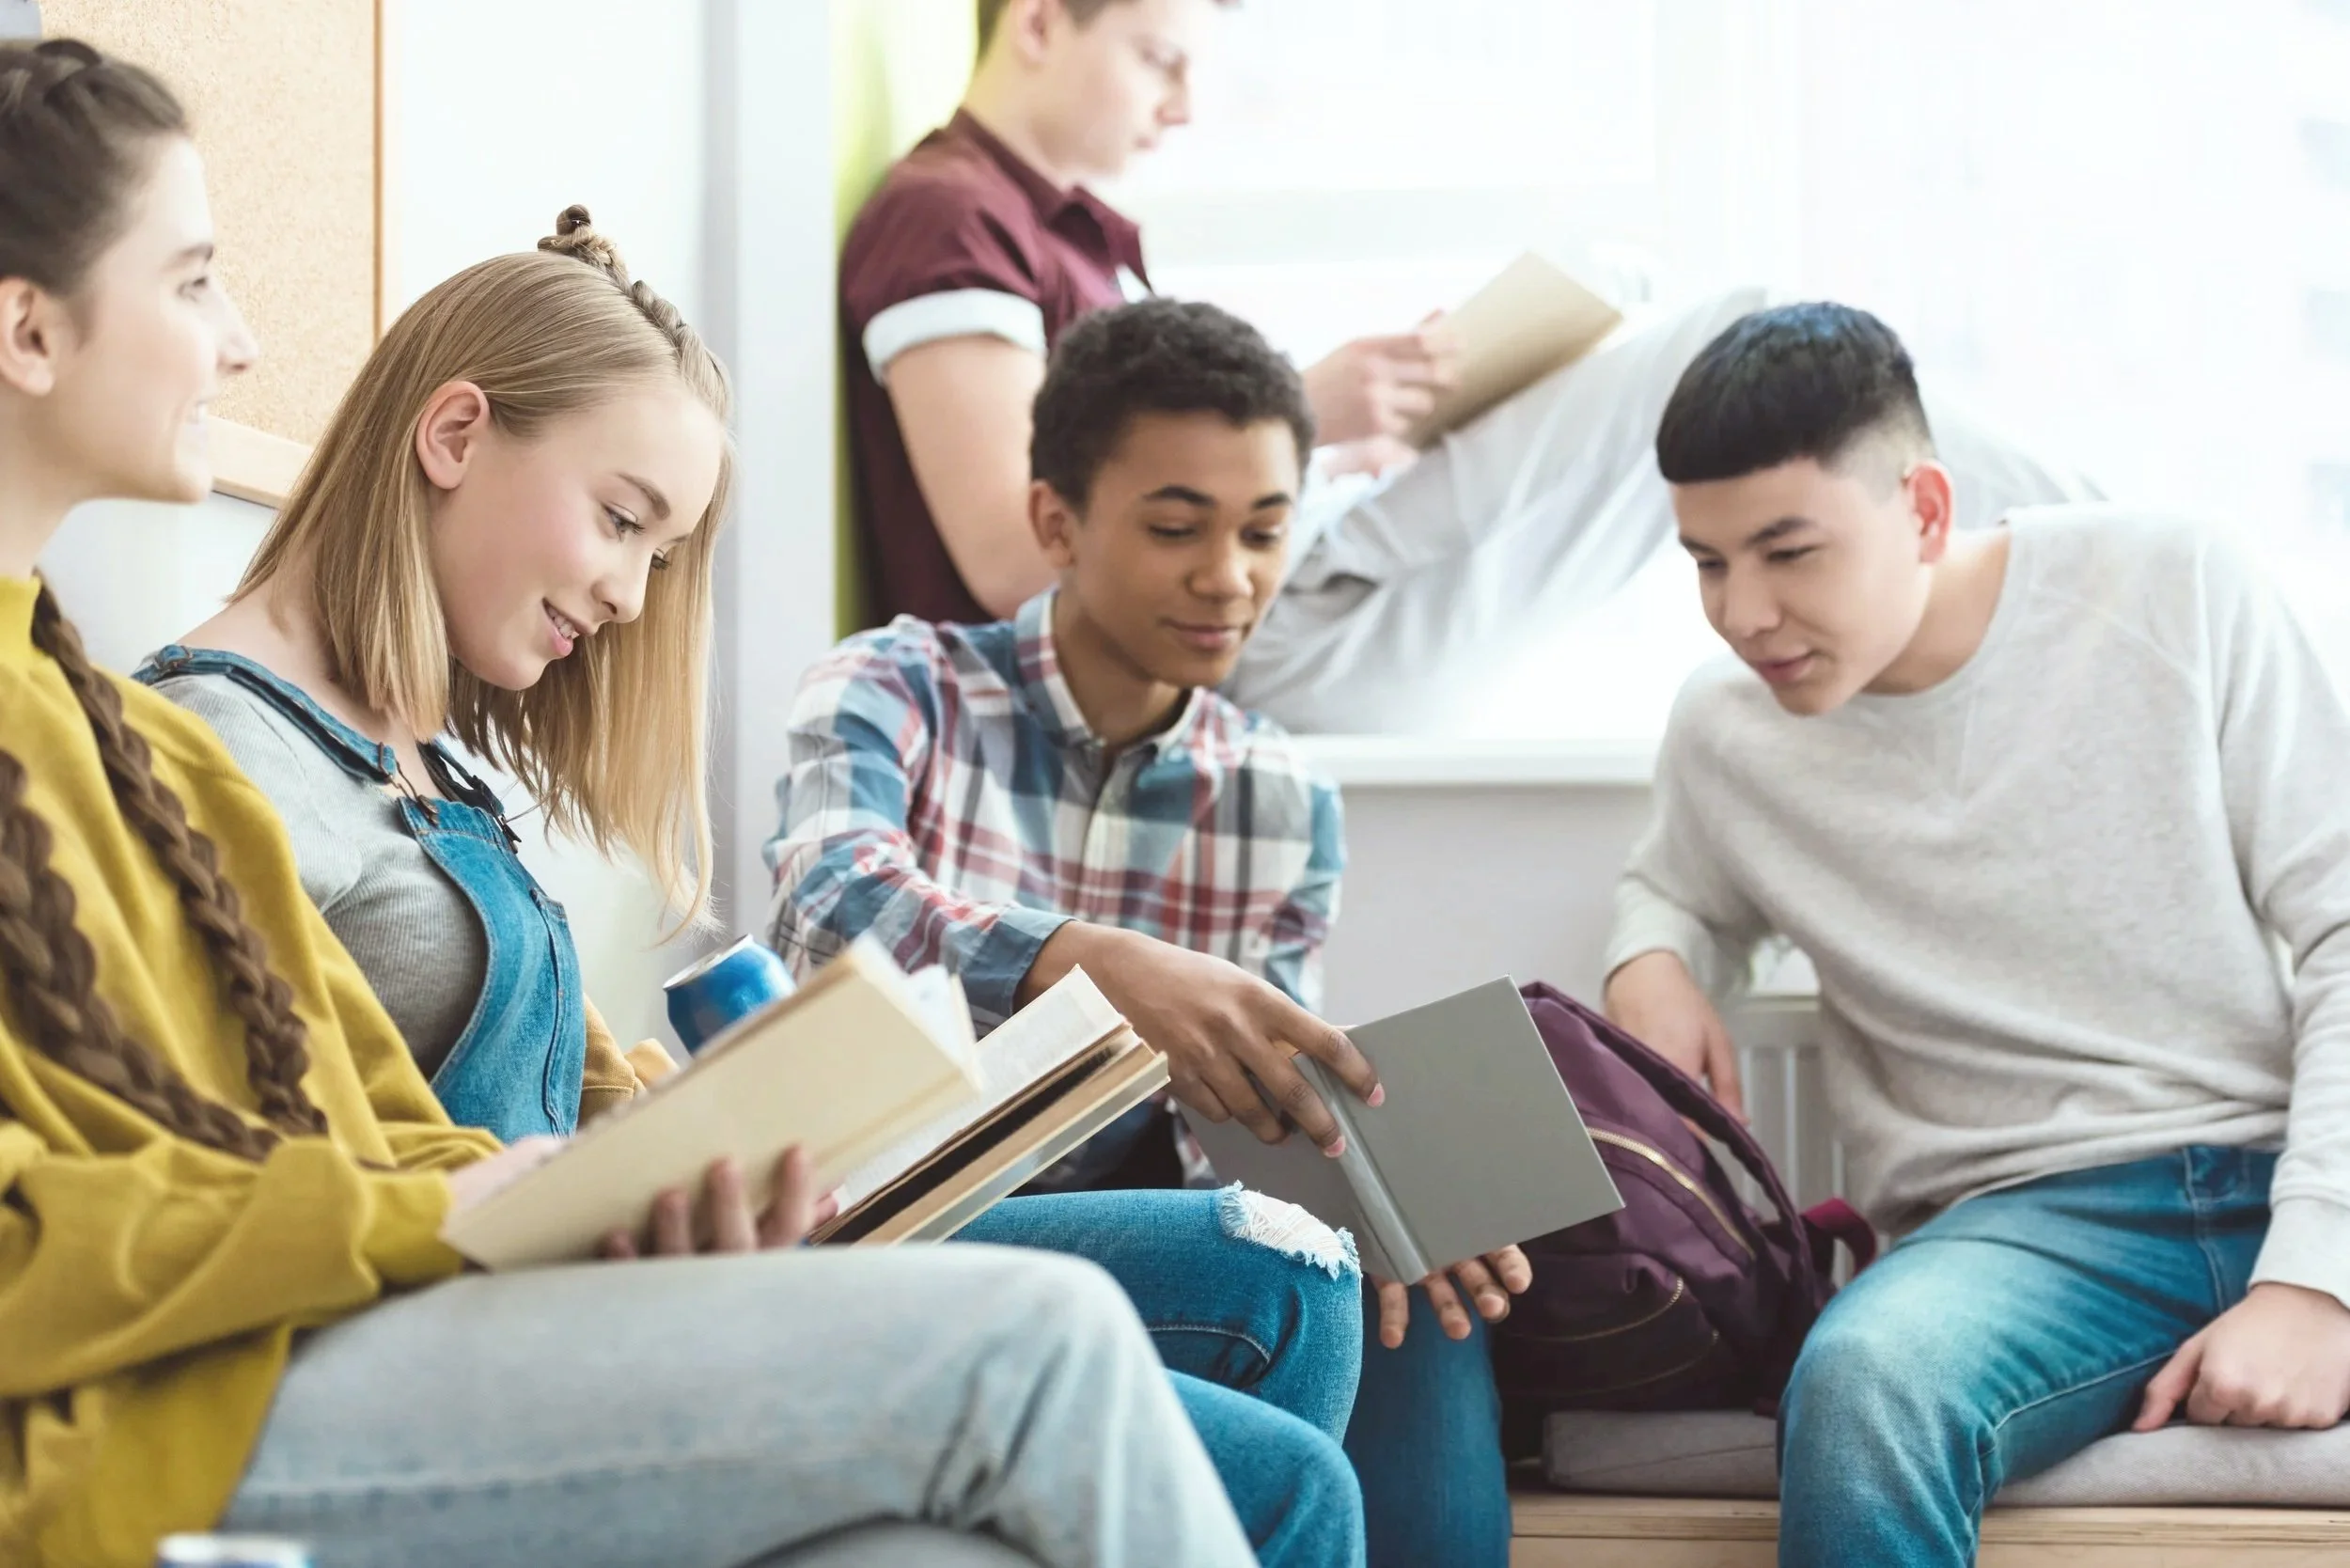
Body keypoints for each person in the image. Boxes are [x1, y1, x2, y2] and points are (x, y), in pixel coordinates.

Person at [0, 37, 1298, 1568]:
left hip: (382, 1305)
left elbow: (351, 1124)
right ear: (29, 327)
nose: (240, 344)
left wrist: (608, 1169)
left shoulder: (100, 726)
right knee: (1052, 1340)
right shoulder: (195, 741)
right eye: (195, 278)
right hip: (193, 1397)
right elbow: (255, 1187)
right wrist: (471, 1207)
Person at [772, 295, 1533, 1568]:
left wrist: (1379, 1188)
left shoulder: (1285, 798)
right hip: (905, 1224)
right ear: (1055, 521)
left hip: (1163, 1236)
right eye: (1178, 526)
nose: (1228, 577)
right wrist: (1088, 965)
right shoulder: (895, 687)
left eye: (1266, 530)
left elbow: (1243, 1121)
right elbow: (832, 907)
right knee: (1289, 1269)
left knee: (1419, 1297)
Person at [1604, 301, 2350, 1568]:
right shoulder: (1730, 730)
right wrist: (1651, 957)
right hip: (2006, 1232)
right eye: (1707, 563)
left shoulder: (2172, 583)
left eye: (1789, 551)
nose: (1743, 613)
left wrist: (2316, 1280)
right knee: (1863, 1387)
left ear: (1927, 511)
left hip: (2251, 1163)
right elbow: (1670, 884)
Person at [839, 0, 2102, 733]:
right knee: (1745, 327)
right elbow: (1016, 559)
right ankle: (2105, 547)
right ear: (1047, 22)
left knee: (1650, 319)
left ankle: (2080, 568)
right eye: (1160, 59)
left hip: (1290, 598)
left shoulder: (1061, 241)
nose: (1179, 109)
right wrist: (1306, 418)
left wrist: (1368, 434)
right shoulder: (953, 221)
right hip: (1251, 642)